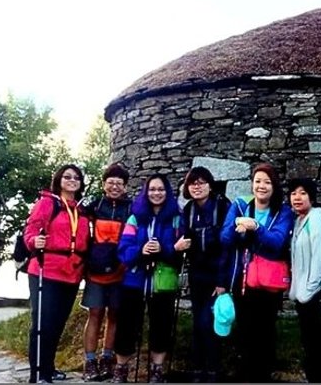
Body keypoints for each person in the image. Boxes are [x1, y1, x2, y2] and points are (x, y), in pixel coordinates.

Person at [218, 163, 294, 382]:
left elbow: (278, 243)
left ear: (274, 186)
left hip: (269, 281)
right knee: (245, 330)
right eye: (258, 181)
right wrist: (236, 227)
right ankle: (246, 374)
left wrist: (256, 228)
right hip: (242, 279)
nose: (261, 186)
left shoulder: (283, 211)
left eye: (267, 182)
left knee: (266, 330)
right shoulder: (240, 206)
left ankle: (263, 374)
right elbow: (224, 239)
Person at [112, 173, 182, 383]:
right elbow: (124, 250)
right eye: (152, 189)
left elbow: (181, 250)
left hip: (163, 281)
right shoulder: (135, 218)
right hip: (134, 280)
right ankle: (121, 368)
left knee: (162, 325)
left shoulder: (177, 218)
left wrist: (163, 249)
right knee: (126, 326)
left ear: (167, 192)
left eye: (160, 189)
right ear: (146, 192)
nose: (156, 193)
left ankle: (157, 370)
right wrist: (141, 250)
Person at [23, 164, 90, 383]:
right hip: (46, 269)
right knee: (43, 323)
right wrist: (34, 241)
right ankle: (38, 374)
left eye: (76, 178)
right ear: (59, 180)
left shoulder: (81, 209)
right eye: (67, 176)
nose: (72, 180)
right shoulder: (47, 203)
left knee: (58, 322)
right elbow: (31, 230)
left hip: (71, 272)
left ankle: (49, 368)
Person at [174, 166, 231, 383]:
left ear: (210, 184)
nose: (197, 187)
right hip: (197, 274)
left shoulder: (222, 206)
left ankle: (213, 368)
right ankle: (198, 368)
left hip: (216, 274)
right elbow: (183, 237)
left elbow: (227, 245)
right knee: (199, 322)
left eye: (201, 182)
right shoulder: (188, 210)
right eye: (192, 183)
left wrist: (222, 280)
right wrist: (181, 246)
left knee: (211, 321)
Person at [288, 178, 321, 383]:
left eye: (302, 193)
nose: (297, 197)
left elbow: (319, 262)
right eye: (293, 193)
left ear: (312, 197)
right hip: (308, 293)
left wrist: (305, 294)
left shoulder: (317, 220)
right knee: (310, 341)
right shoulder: (300, 220)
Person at [81, 164, 132, 381]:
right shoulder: (93, 206)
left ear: (125, 187)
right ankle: (90, 361)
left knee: (114, 316)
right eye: (110, 182)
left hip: (121, 271)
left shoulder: (131, 209)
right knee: (94, 314)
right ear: (103, 184)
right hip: (95, 270)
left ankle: (107, 359)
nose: (114, 186)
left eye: (119, 183)